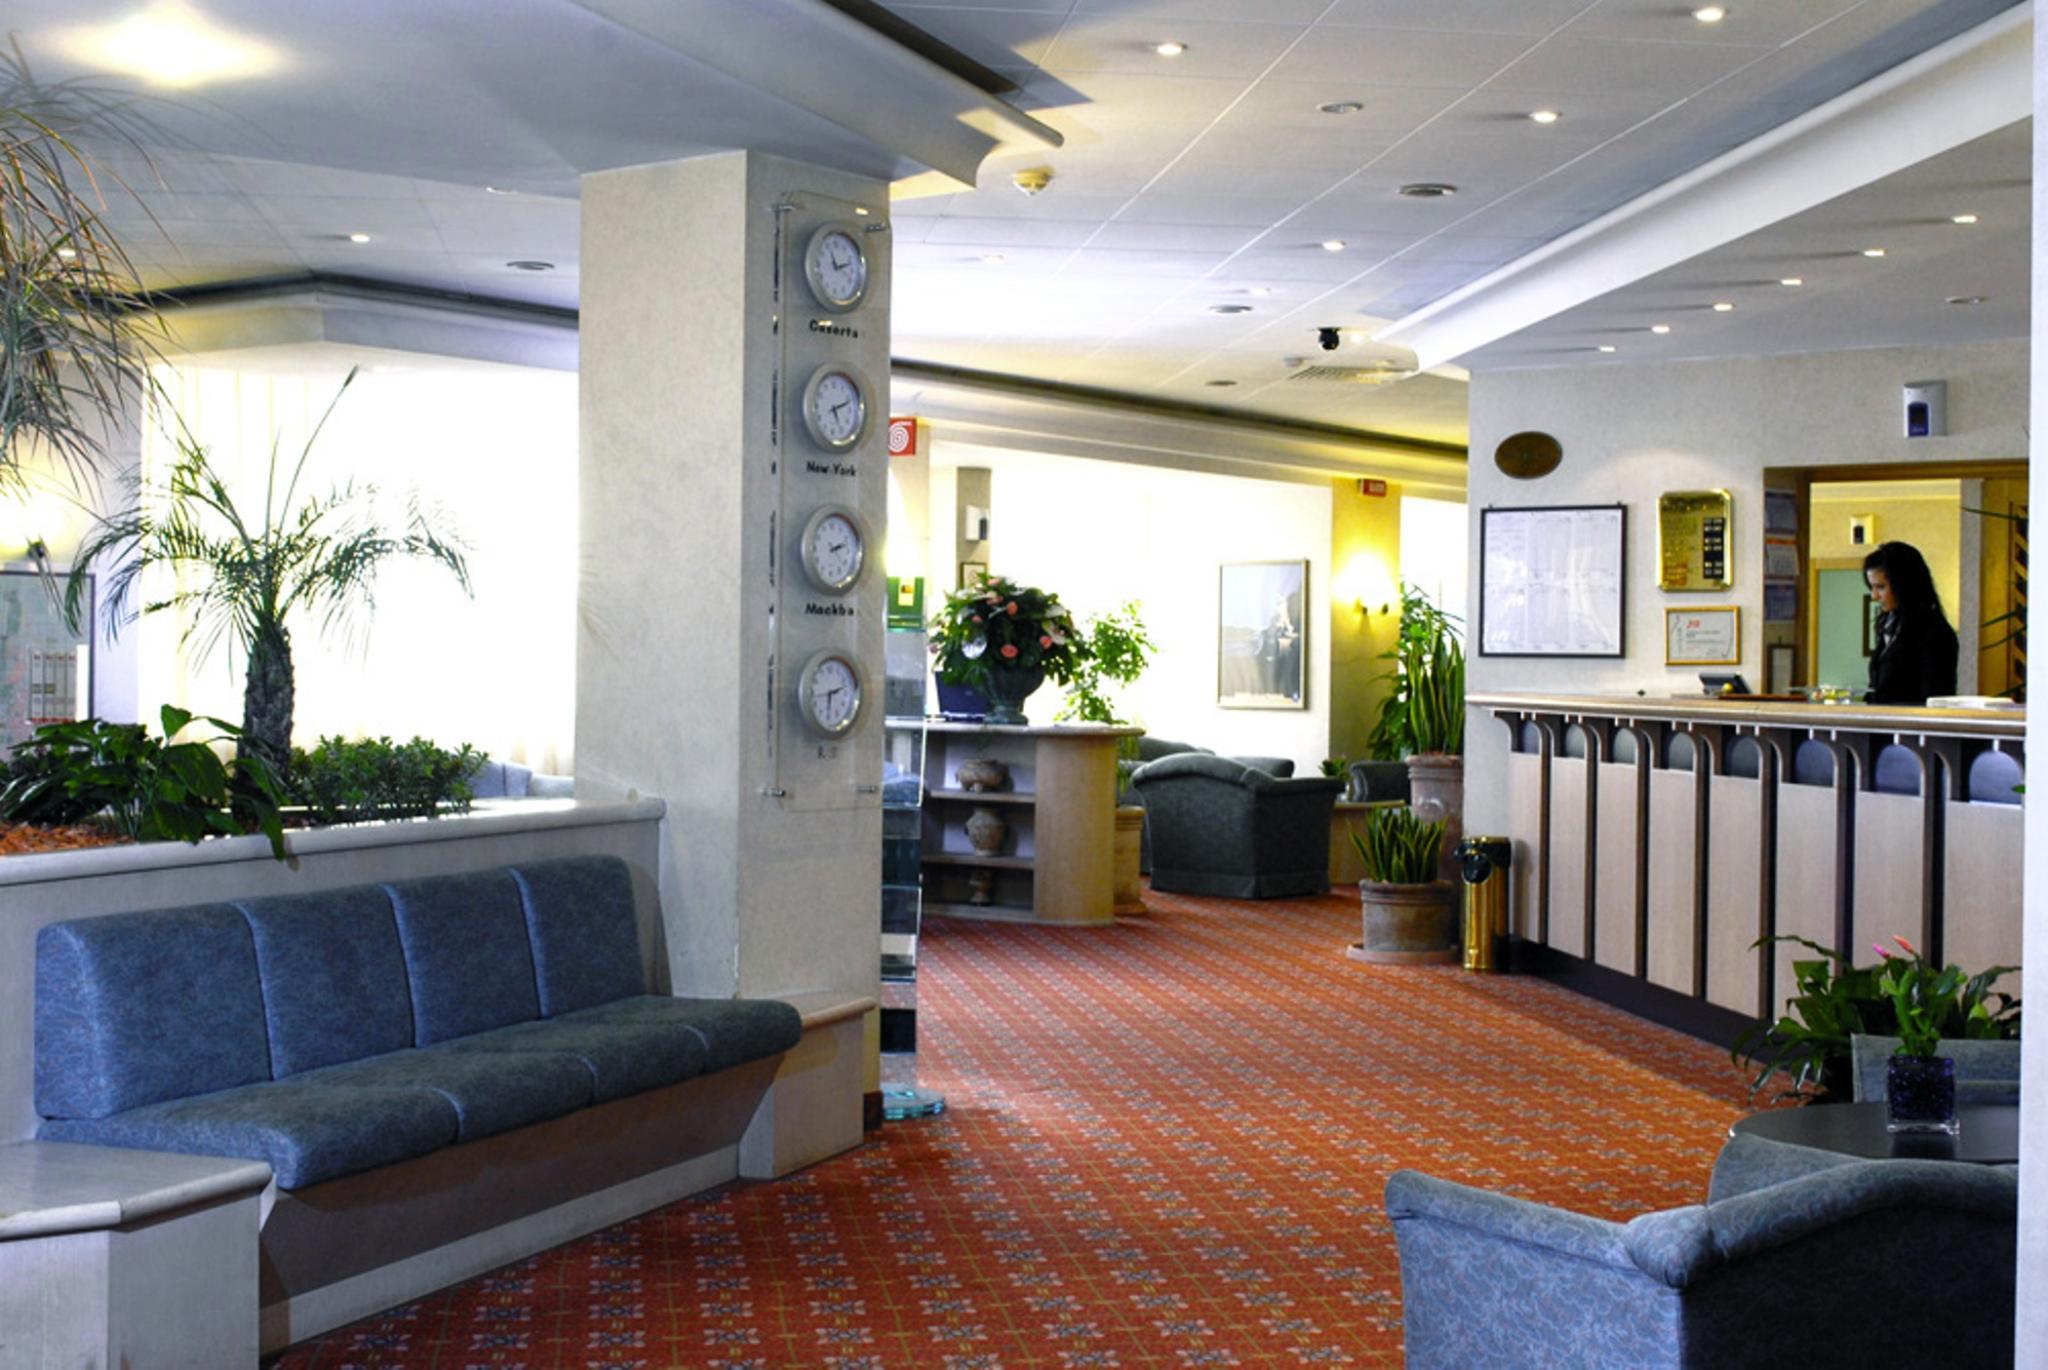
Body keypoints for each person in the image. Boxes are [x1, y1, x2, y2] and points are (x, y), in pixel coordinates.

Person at [1863, 541, 1958, 705]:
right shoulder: (1890, 626)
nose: (1874, 596)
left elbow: (1934, 699)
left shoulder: (1934, 632)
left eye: (1881, 587)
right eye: (1872, 588)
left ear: (1904, 585)